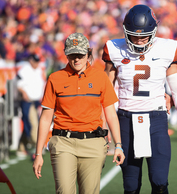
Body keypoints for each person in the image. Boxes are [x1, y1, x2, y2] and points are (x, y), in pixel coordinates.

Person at [102, 4, 177, 194]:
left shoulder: (167, 48)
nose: (139, 40)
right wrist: (104, 126)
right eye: (134, 35)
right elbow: (106, 92)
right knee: (131, 185)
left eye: (144, 35)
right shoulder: (114, 48)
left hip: (156, 119)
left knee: (159, 182)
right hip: (125, 119)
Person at [32, 33, 125, 194]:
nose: (76, 59)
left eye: (80, 55)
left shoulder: (101, 78)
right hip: (63, 143)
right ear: (66, 54)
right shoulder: (55, 78)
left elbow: (110, 114)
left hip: (93, 143)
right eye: (72, 55)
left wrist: (118, 145)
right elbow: (46, 118)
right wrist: (38, 153)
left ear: (89, 53)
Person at [16, 53, 45, 155]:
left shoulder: (38, 70)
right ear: (31, 61)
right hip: (27, 100)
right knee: (32, 123)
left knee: (30, 123)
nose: (36, 63)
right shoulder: (25, 69)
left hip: (36, 100)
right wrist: (24, 93)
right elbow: (18, 84)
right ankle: (37, 145)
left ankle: (21, 146)